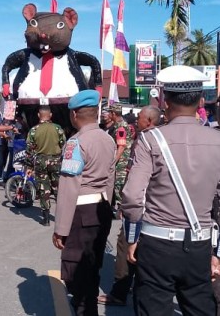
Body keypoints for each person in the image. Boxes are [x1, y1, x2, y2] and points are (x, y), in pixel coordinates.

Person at [121, 65, 220, 316]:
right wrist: (216, 252)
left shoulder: (150, 139)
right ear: (199, 100)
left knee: (153, 307)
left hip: (157, 243)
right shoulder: (217, 140)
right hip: (200, 243)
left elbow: (132, 196)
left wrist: (133, 237)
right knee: (200, 306)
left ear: (165, 101)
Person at [52, 90, 116, 316]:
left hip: (81, 211)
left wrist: (60, 228)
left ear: (74, 114)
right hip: (102, 209)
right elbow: (111, 178)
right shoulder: (108, 139)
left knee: (76, 270)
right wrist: (107, 208)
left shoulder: (75, 143)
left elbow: (70, 187)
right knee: (92, 265)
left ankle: (85, 309)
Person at [98, 105, 161, 307]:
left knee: (126, 245)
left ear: (149, 121)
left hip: (141, 204)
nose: (137, 121)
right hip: (156, 206)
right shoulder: (162, 139)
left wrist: (127, 207)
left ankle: (120, 291)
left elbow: (135, 176)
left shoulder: (144, 140)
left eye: (141, 118)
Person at [24, 105, 66, 226]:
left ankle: (46, 218)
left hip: (40, 161)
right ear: (51, 115)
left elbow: (29, 150)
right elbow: (65, 144)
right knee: (59, 188)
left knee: (43, 189)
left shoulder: (34, 130)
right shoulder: (58, 129)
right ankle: (62, 218)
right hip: (56, 161)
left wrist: (29, 167)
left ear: (38, 115)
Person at [108, 103, 133, 215]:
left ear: (113, 114)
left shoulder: (121, 128)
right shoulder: (119, 126)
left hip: (121, 162)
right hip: (122, 161)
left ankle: (121, 210)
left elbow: (121, 146)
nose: (108, 115)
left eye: (110, 113)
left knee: (118, 185)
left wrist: (114, 161)